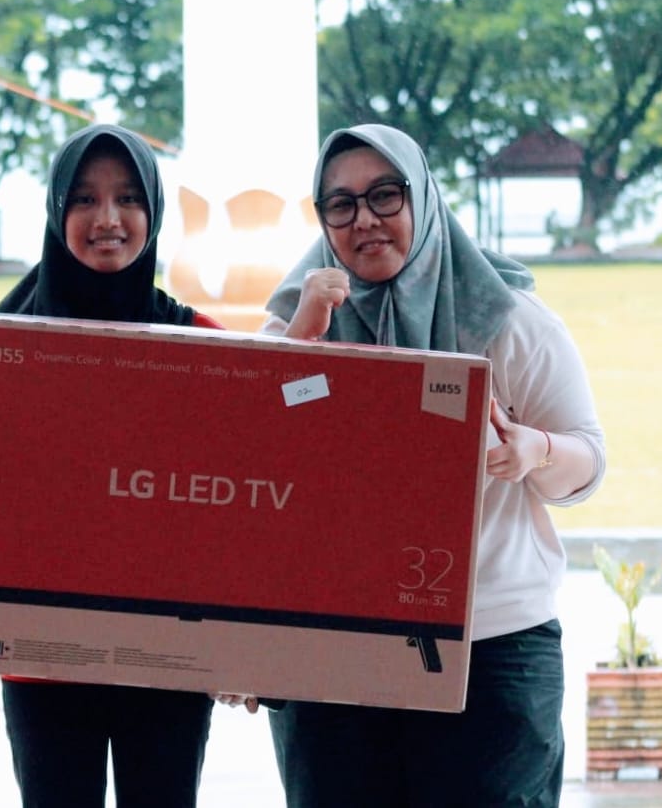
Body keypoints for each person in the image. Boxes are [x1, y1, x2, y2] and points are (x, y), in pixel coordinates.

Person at [258, 123, 607, 807]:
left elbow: (588, 459)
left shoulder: (505, 320)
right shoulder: (298, 322)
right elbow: (244, 467)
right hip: (333, 647)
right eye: (340, 204)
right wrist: (300, 342)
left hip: (491, 644)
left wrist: (532, 450)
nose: (364, 219)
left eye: (385, 195)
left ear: (423, 196)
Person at [0, 123, 222, 807]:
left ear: (154, 211)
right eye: (84, 199)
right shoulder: (1, 344)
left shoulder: (203, 344)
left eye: (127, 198)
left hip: (167, 661)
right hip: (43, 659)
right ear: (58, 212)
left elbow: (256, 487)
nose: (107, 218)